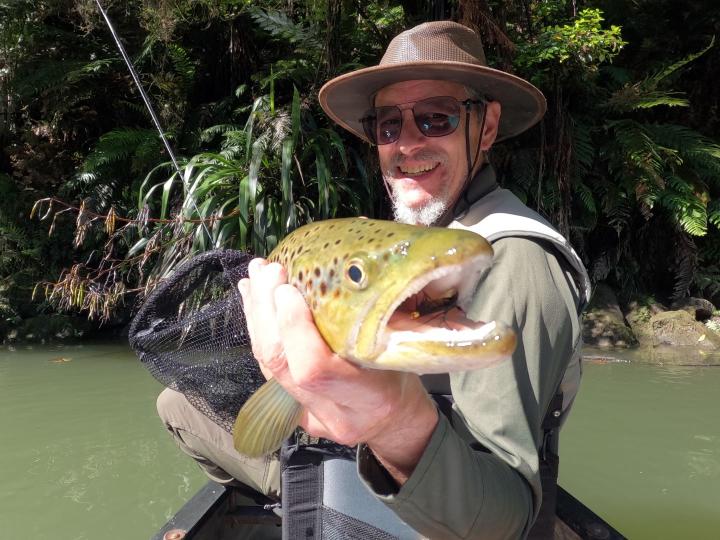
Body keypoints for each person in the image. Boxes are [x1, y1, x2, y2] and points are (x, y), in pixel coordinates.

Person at [156, 20, 590, 539]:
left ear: (487, 127)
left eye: (436, 118)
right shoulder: (412, 233)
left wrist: (392, 423)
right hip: (352, 447)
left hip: (432, 503)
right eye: (388, 126)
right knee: (177, 405)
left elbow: (506, 522)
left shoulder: (515, 259)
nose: (406, 144)